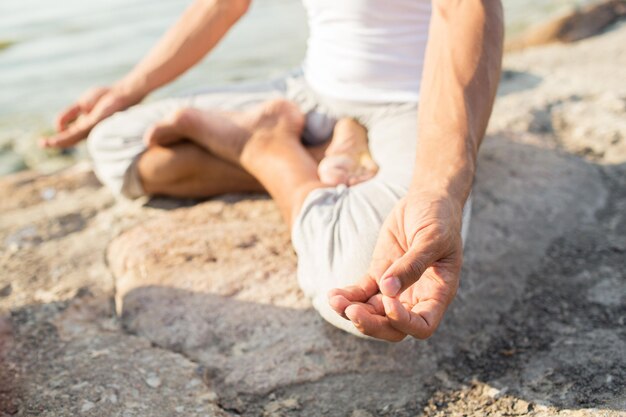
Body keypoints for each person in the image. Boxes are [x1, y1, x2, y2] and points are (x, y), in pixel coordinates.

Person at [42, 0, 504, 341]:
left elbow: (466, 8)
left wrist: (439, 187)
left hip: (412, 107)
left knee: (373, 299)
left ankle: (268, 149)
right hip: (310, 90)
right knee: (115, 142)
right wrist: (125, 90)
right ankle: (317, 145)